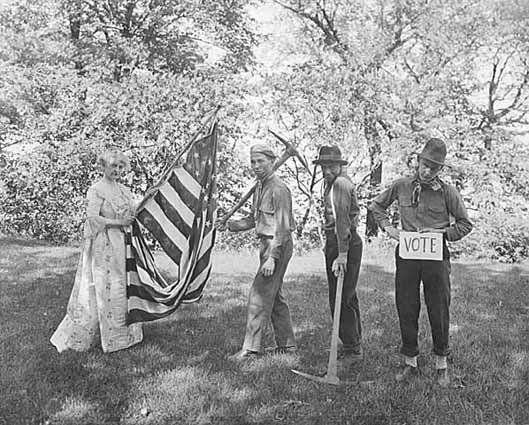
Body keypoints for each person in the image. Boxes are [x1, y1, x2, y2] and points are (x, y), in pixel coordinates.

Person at [369, 138, 473, 387]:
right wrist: (389, 228)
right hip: (407, 255)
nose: (427, 171)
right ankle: (410, 362)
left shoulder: (448, 192)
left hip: (436, 258)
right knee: (406, 306)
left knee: (438, 308)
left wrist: (441, 233)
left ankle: (441, 365)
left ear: (440, 170)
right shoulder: (401, 186)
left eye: (434, 168)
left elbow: (464, 224)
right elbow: (377, 206)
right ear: (418, 161)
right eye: (425, 165)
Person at [50, 148, 143, 353]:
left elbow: (134, 211)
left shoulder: (124, 190)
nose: (117, 170)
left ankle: (121, 335)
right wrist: (118, 222)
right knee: (103, 284)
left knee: (120, 285)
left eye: (120, 166)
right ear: (103, 167)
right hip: (104, 242)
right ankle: (94, 334)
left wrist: (149, 198)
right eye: (113, 166)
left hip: (122, 243)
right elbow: (93, 217)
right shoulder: (97, 189)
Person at [227, 143, 297, 360]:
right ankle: (288, 345)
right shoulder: (260, 187)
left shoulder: (279, 189)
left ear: (271, 161)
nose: (256, 166)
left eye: (260, 161)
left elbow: (283, 228)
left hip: (278, 246)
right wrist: (229, 224)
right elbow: (253, 220)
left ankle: (250, 349)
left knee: (259, 295)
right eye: (253, 161)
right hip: (265, 245)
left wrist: (272, 259)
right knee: (273, 295)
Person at [313, 146, 363, 368]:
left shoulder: (341, 184)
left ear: (340, 166)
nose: (326, 171)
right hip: (337, 242)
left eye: (331, 166)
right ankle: (352, 343)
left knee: (341, 298)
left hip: (345, 243)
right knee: (345, 296)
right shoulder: (331, 184)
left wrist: (342, 254)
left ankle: (352, 348)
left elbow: (343, 220)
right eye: (323, 167)